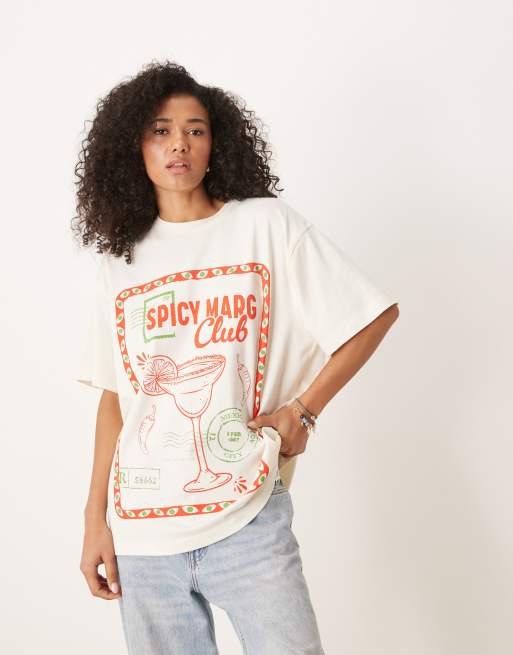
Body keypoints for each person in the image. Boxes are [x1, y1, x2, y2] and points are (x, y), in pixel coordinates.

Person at [73, 59, 399, 655]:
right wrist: (96, 519)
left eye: (195, 130)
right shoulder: (119, 264)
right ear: (133, 148)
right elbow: (116, 400)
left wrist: (303, 411)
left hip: (248, 512)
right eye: (160, 130)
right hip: (144, 529)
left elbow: (370, 316)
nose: (179, 144)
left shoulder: (265, 226)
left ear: (214, 144)